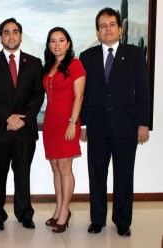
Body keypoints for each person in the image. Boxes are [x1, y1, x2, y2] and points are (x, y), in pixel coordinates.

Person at [79, 7, 150, 237]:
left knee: (123, 175)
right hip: (97, 126)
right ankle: (97, 219)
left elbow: (143, 90)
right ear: (98, 32)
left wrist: (143, 123)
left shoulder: (135, 54)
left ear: (120, 29)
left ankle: (122, 221)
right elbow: (84, 94)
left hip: (126, 126)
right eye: (102, 26)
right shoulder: (87, 57)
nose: (107, 29)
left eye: (111, 25)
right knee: (97, 174)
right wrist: (83, 124)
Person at [0, 18, 44, 231]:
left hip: (24, 130)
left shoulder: (34, 63)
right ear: (0, 37)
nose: (11, 35)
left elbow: (37, 95)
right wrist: (8, 118)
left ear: (21, 36)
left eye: (15, 31)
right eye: (6, 32)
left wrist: (20, 120)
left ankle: (25, 214)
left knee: (23, 174)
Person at [42, 27, 86, 233]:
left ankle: (65, 212)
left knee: (65, 168)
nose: (57, 44)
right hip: (51, 122)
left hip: (68, 122)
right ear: (49, 45)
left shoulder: (75, 65)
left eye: (61, 40)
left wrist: (72, 122)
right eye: (53, 41)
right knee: (55, 168)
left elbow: (79, 97)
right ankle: (59, 208)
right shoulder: (49, 66)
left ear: (68, 44)